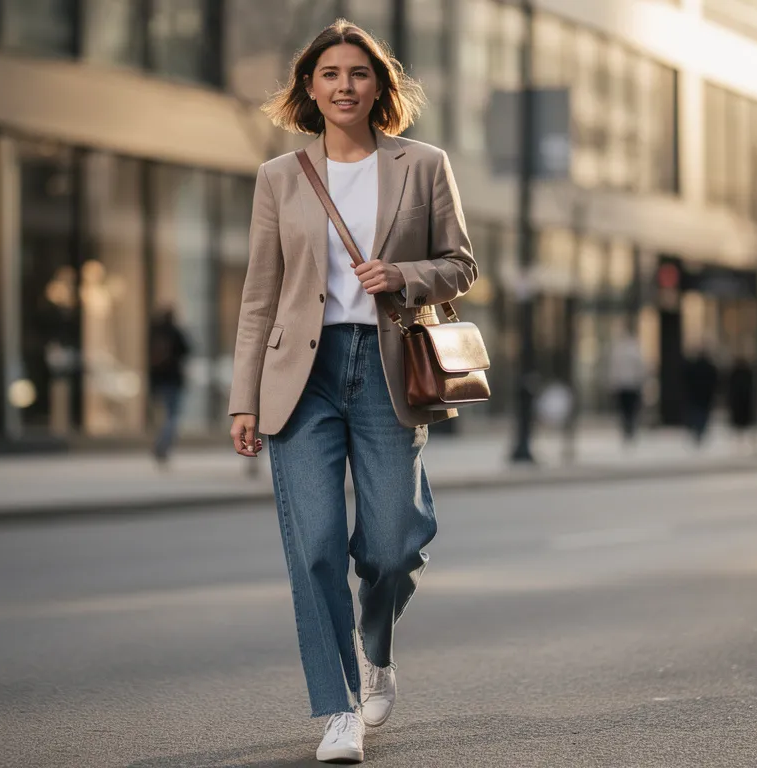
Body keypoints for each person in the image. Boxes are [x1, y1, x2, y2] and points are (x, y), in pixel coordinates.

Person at [227, 20, 477, 764]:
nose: (344, 85)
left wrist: (403, 276)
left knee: (394, 544)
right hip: (300, 377)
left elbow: (461, 264)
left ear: (379, 87)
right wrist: (245, 398)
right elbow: (257, 299)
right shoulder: (279, 177)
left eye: (358, 74)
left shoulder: (423, 165)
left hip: (387, 366)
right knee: (315, 549)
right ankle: (338, 710)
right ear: (310, 86)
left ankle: (378, 647)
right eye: (330, 73)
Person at [148, 307, 190, 465]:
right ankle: (162, 446)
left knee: (165, 416)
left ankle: (161, 445)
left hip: (159, 381)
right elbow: (187, 350)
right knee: (172, 417)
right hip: (173, 381)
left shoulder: (155, 333)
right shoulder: (175, 332)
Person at [607, 327, 647, 445]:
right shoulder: (635, 350)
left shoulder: (618, 351)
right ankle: (630, 429)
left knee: (624, 410)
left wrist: (613, 383)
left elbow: (614, 369)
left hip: (622, 385)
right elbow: (640, 368)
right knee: (632, 410)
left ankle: (627, 429)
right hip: (633, 385)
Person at [683, 347, 720, 447]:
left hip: (696, 394)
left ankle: (697, 430)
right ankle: (700, 430)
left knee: (696, 412)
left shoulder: (693, 367)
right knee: (703, 413)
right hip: (705, 395)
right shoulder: (710, 367)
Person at [726, 353, 757, 452]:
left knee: (741, 424)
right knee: (745, 424)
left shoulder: (736, 373)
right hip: (745, 403)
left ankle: (743, 441)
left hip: (740, 403)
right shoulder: (747, 373)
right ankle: (745, 442)